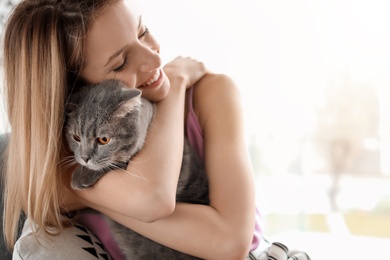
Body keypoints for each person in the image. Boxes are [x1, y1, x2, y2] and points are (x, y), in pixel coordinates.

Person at [2, 0, 261, 259]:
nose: (156, 58)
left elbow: (232, 243)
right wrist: (177, 79)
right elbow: (153, 197)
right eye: (120, 63)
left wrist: (90, 196)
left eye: (142, 31)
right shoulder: (64, 161)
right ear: (74, 89)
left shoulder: (212, 93)